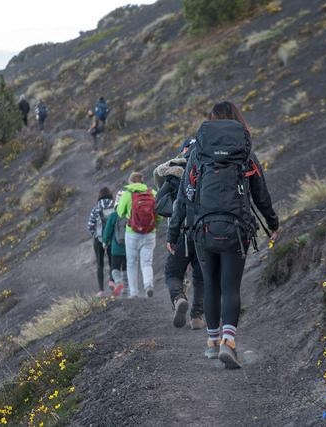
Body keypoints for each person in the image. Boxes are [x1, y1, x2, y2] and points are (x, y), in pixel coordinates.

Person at [169, 101, 280, 369]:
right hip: (236, 229)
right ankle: (228, 342)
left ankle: (211, 343)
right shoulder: (244, 153)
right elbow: (260, 194)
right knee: (231, 286)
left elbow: (184, 197)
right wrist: (272, 223)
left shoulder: (198, 152)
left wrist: (173, 233)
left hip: (202, 230)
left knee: (210, 284)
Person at [155, 137, 205, 329]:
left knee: (173, 273)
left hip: (181, 232)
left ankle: (178, 299)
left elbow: (159, 204)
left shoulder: (174, 174)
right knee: (200, 276)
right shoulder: (208, 170)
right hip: (204, 232)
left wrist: (171, 235)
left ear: (184, 150)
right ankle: (197, 316)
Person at [116, 172, 158, 298]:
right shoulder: (152, 193)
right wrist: (155, 225)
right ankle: (148, 285)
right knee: (147, 262)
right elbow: (159, 212)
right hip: (150, 232)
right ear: (142, 181)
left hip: (132, 233)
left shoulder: (127, 194)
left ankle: (134, 292)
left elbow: (120, 213)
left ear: (131, 181)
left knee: (131, 263)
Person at [87, 187, 115, 296]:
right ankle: (112, 282)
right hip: (112, 239)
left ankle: (101, 290)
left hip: (98, 240)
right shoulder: (114, 205)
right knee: (112, 262)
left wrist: (97, 236)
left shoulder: (96, 208)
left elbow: (90, 226)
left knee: (100, 264)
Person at [102, 190, 128, 297]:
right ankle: (126, 289)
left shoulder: (113, 216)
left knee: (115, 268)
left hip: (116, 248)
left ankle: (118, 283)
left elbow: (107, 231)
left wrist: (105, 242)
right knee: (126, 269)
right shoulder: (130, 215)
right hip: (128, 248)